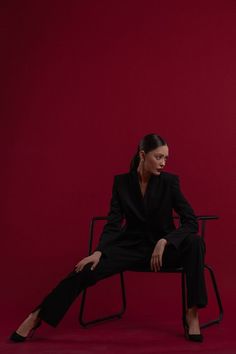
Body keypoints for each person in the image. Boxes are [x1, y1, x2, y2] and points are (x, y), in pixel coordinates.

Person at [10, 133, 207, 343]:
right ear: (143, 155)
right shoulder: (121, 184)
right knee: (86, 268)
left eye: (166, 158)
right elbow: (113, 224)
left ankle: (192, 314)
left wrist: (165, 240)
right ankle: (37, 316)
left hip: (163, 252)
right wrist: (98, 252)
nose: (163, 163)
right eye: (158, 157)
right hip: (130, 248)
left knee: (195, 242)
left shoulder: (170, 182)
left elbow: (191, 222)